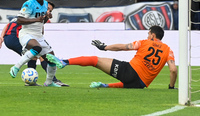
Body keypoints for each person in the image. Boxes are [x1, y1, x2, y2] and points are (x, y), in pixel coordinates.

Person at [46, 25, 177, 89]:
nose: (148, 36)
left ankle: (64, 62)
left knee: (94, 60)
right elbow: (173, 70)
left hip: (130, 71)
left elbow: (123, 47)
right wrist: (171, 87)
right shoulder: (168, 51)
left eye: (149, 34)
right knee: (127, 82)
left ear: (153, 35)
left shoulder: (145, 42)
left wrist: (105, 47)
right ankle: (105, 86)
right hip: (140, 84)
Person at [0, 2, 69, 86]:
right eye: (47, 8)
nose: (48, 11)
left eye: (50, 10)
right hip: (15, 37)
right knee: (41, 55)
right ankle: (52, 80)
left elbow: (10, 24)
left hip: (10, 38)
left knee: (36, 55)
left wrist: (2, 37)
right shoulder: (34, 15)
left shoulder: (31, 13)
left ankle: (31, 82)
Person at [9, 0, 63, 87]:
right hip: (26, 34)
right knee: (37, 48)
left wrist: (47, 17)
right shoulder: (29, 4)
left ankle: (49, 82)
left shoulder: (46, 4)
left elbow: (41, 21)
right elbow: (19, 20)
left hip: (39, 36)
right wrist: (36, 19)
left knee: (52, 59)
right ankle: (16, 66)